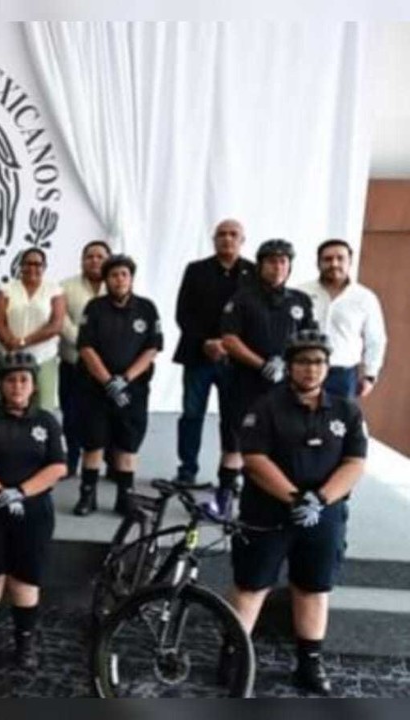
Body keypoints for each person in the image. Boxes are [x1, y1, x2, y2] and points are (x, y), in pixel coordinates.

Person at [225, 330, 366, 696]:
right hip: (269, 510)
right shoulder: (265, 406)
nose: (311, 369)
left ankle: (309, 664)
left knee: (313, 587)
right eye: (303, 361)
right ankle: (233, 655)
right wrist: (294, 498)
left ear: (327, 366)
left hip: (324, 514)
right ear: (289, 367)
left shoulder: (347, 410)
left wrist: (319, 499)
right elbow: (254, 460)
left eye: (318, 361)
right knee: (252, 585)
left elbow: (354, 461)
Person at [0, 351, 67, 669]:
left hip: (32, 513)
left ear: (33, 385)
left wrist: (20, 493)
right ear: (1, 384)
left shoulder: (47, 422)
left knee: (24, 580)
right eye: (10, 380)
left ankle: (25, 643)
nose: (17, 386)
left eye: (23, 380)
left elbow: (58, 466)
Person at [219, 239, 316, 514]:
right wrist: (262, 364)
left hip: (286, 385)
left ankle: (276, 494)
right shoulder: (242, 298)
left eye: (283, 261)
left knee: (282, 441)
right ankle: (224, 498)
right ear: (261, 265)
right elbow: (229, 339)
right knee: (236, 440)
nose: (278, 267)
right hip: (244, 382)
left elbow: (310, 341)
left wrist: (286, 365)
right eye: (272, 261)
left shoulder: (300, 301)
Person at [73, 255, 163, 516]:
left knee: (128, 443)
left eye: (124, 274)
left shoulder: (147, 308)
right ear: (106, 280)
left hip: (132, 389)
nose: (119, 279)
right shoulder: (94, 307)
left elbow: (151, 349)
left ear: (131, 278)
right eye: (114, 275)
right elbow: (86, 348)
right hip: (96, 388)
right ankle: (87, 496)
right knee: (93, 443)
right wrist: (108, 381)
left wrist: (124, 380)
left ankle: (125, 498)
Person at [173, 219, 255, 484]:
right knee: (192, 414)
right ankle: (187, 470)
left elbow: (255, 316)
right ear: (214, 239)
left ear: (242, 240)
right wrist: (205, 342)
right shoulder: (196, 270)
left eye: (233, 234)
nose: (227, 239)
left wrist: (228, 344)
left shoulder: (253, 274)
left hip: (237, 359)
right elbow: (183, 313)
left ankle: (228, 474)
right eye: (222, 234)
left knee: (232, 417)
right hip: (199, 356)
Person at [298, 239, 386, 399]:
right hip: (303, 371)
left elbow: (376, 339)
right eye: (328, 259)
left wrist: (370, 376)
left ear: (350, 261)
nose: (334, 264)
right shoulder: (301, 293)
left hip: (343, 376)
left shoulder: (364, 298)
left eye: (340, 258)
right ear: (318, 263)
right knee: (297, 421)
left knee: (340, 422)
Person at [57, 240, 109, 476]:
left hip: (107, 366)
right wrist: (87, 345)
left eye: (100, 256)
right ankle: (72, 459)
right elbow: (62, 322)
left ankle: (109, 462)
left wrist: (100, 352)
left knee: (105, 415)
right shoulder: (65, 287)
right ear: (82, 260)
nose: (95, 261)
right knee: (72, 414)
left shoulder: (118, 284)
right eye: (90, 256)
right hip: (73, 363)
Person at [0, 248, 66, 411]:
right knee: (8, 406)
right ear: (21, 266)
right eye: (28, 263)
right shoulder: (7, 289)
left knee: (43, 407)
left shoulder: (54, 289)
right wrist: (10, 341)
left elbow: (56, 325)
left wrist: (24, 341)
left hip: (43, 356)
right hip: (10, 356)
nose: (33, 267)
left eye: (38, 264)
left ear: (44, 267)